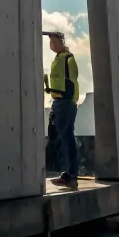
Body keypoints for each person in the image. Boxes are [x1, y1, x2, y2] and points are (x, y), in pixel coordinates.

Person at [44, 30, 79, 190]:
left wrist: (68, 97)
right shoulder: (59, 58)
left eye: (53, 41)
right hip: (60, 100)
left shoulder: (67, 58)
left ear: (60, 41)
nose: (51, 44)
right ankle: (68, 175)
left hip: (65, 102)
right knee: (63, 137)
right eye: (50, 42)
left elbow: (72, 79)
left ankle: (70, 175)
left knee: (65, 138)